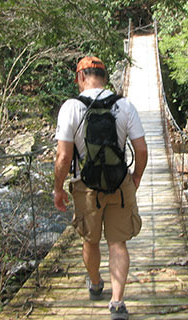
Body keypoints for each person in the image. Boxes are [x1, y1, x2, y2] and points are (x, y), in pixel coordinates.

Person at [53, 56, 148, 320]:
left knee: (90, 240)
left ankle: (95, 284)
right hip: (120, 183)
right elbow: (141, 149)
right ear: (104, 78)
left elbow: (63, 157)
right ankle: (117, 304)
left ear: (80, 78)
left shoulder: (70, 107)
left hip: (87, 187)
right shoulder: (124, 105)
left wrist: (58, 189)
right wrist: (136, 177)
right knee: (118, 243)